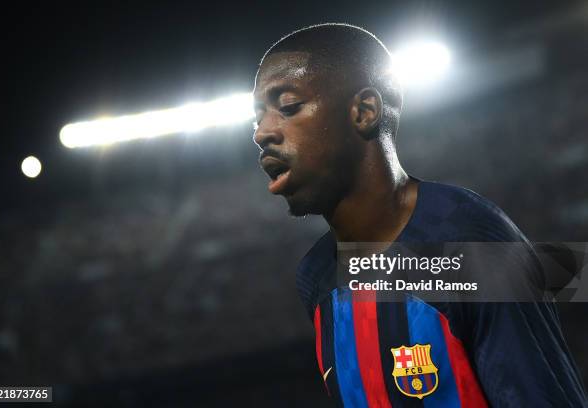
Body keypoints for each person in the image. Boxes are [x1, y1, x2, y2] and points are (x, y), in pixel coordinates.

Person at [252, 23, 587, 407]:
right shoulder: (315, 275)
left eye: (287, 107)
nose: (262, 133)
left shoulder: (467, 242)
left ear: (364, 112)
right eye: (256, 119)